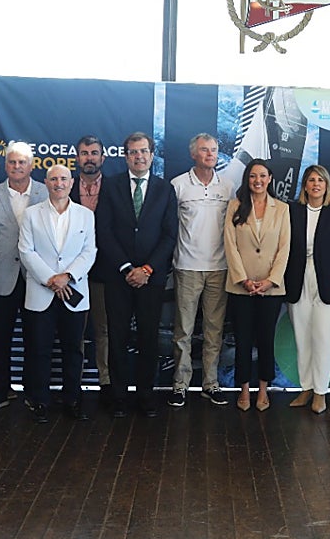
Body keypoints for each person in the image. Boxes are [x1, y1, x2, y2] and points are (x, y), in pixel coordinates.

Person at [96, 132, 179, 418]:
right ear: (126, 156)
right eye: (133, 152)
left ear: (152, 155)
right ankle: (119, 397)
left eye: (143, 151)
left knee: (148, 337)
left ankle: (146, 395)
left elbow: (170, 235)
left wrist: (146, 269)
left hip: (151, 277)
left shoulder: (165, 189)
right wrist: (125, 267)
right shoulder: (111, 186)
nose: (139, 156)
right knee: (117, 336)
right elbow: (104, 231)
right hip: (117, 276)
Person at [0, 142, 48, 413]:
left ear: (31, 165)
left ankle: (32, 392)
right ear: (5, 166)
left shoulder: (45, 192)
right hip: (0, 279)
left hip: (36, 279)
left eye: (22, 162)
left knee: (35, 339)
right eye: (12, 162)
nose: (17, 166)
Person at [18, 164, 97, 422]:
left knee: (73, 350)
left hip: (74, 292)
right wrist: (51, 279)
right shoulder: (31, 214)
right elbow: (26, 251)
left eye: (64, 179)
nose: (59, 183)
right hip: (41, 293)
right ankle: (39, 401)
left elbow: (90, 251)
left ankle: (72, 400)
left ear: (71, 183)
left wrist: (67, 277)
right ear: (46, 183)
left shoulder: (86, 215)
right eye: (54, 179)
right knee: (38, 350)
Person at [169, 133, 235, 408]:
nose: (210, 154)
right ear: (193, 154)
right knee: (183, 332)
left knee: (214, 331)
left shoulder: (228, 186)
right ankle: (180, 385)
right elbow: (169, 226)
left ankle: (210, 383)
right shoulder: (178, 185)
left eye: (214, 150)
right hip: (186, 266)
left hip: (219, 268)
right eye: (204, 150)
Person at [285, 164, 330, 415]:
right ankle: (306, 388)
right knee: (302, 337)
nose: (316, 184)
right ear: (305, 185)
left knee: (324, 338)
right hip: (297, 280)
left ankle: (320, 392)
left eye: (320, 180)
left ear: (327, 185)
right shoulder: (293, 211)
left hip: (329, 283)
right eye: (311, 180)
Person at [224, 159, 291, 412]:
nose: (258, 181)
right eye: (253, 176)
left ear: (270, 178)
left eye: (262, 176)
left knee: (265, 340)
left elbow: (284, 248)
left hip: (270, 288)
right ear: (247, 179)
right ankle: (243, 390)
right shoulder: (235, 206)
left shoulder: (282, 208)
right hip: (240, 287)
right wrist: (243, 279)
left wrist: (270, 281)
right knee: (242, 340)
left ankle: (263, 390)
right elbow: (230, 245)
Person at [69, 135, 110, 403]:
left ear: (102, 158)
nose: (89, 158)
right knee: (74, 332)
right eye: (84, 153)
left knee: (103, 330)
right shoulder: (65, 186)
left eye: (94, 153)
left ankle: (106, 383)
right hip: (70, 273)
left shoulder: (115, 188)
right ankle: (74, 385)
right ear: (77, 158)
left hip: (105, 272)